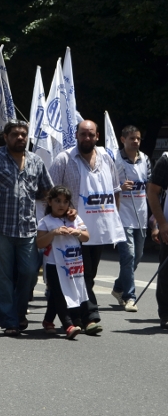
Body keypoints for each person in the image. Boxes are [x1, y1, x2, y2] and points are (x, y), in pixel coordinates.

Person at [0, 120, 53, 336]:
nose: (20, 138)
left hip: (28, 229)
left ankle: (19, 312)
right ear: (6, 137)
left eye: (23, 134)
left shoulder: (36, 161)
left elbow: (47, 190)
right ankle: (9, 320)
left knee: (29, 273)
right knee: (3, 277)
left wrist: (65, 211)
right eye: (15, 134)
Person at [49, 120, 125, 335]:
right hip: (72, 231)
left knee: (88, 274)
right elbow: (50, 194)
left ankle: (71, 316)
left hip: (98, 229)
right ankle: (90, 316)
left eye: (91, 134)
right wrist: (63, 215)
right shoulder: (64, 160)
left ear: (97, 136)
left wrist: (113, 219)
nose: (87, 138)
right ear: (76, 135)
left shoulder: (106, 158)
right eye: (83, 134)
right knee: (81, 273)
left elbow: (115, 191)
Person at [36, 186, 89, 339]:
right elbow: (40, 243)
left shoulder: (75, 218)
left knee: (58, 293)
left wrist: (78, 232)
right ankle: (68, 325)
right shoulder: (45, 221)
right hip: (54, 264)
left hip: (73, 264)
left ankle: (48, 320)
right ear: (50, 202)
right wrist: (54, 233)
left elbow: (86, 237)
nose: (62, 205)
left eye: (65, 202)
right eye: (57, 201)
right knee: (60, 293)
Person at [111, 126, 150, 312]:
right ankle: (130, 297)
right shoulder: (115, 159)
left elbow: (150, 187)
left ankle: (119, 287)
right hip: (122, 216)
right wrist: (119, 188)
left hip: (141, 215)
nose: (136, 141)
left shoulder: (145, 159)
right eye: (132, 138)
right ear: (122, 139)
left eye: (138, 138)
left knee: (137, 257)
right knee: (129, 256)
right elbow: (105, 185)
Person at [147, 152, 168, 330]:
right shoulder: (166, 160)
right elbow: (152, 192)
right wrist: (161, 223)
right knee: (167, 273)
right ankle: (166, 313)